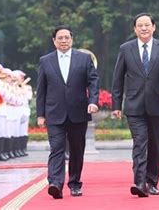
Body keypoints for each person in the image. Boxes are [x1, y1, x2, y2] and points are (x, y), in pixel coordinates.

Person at [111, 13, 159, 198]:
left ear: (153, 27)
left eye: (147, 25)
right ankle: (139, 183)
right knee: (140, 143)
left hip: (157, 103)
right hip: (134, 105)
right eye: (140, 25)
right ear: (135, 29)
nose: (144, 28)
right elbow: (117, 79)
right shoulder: (126, 49)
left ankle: (152, 181)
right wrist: (116, 104)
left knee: (155, 145)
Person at [36, 26, 99, 199]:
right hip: (54, 113)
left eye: (66, 38)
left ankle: (75, 183)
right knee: (56, 148)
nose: (63, 41)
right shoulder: (45, 61)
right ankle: (55, 183)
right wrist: (40, 114)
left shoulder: (84, 59)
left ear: (72, 39)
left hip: (78, 112)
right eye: (60, 38)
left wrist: (93, 102)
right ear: (54, 40)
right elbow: (41, 89)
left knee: (77, 150)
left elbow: (93, 82)